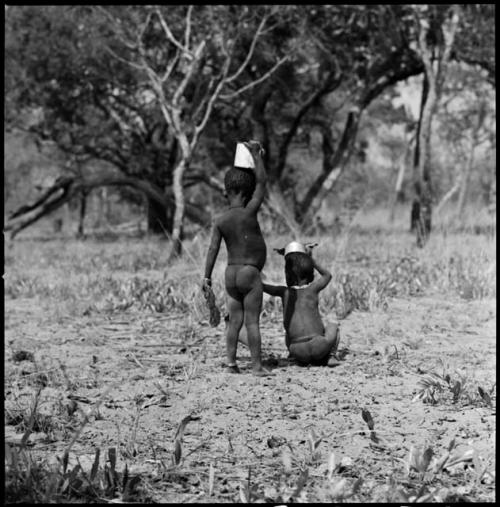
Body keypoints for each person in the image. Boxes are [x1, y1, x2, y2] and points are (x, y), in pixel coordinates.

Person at [203, 141, 273, 376]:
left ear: (227, 191)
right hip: (249, 273)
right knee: (252, 322)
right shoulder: (250, 210)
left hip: (230, 273)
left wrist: (206, 277)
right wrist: (257, 157)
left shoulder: (220, 221)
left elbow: (212, 250)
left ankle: (231, 363)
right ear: (246, 192)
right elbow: (262, 182)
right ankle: (256, 366)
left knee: (235, 321)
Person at [262, 242, 341, 366]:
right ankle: (331, 356)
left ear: (287, 275)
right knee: (333, 323)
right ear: (310, 274)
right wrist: (310, 258)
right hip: (319, 346)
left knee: (289, 329)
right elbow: (327, 275)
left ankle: (293, 356)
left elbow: (263, 287)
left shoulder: (284, 292)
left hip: (297, 350)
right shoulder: (313, 289)